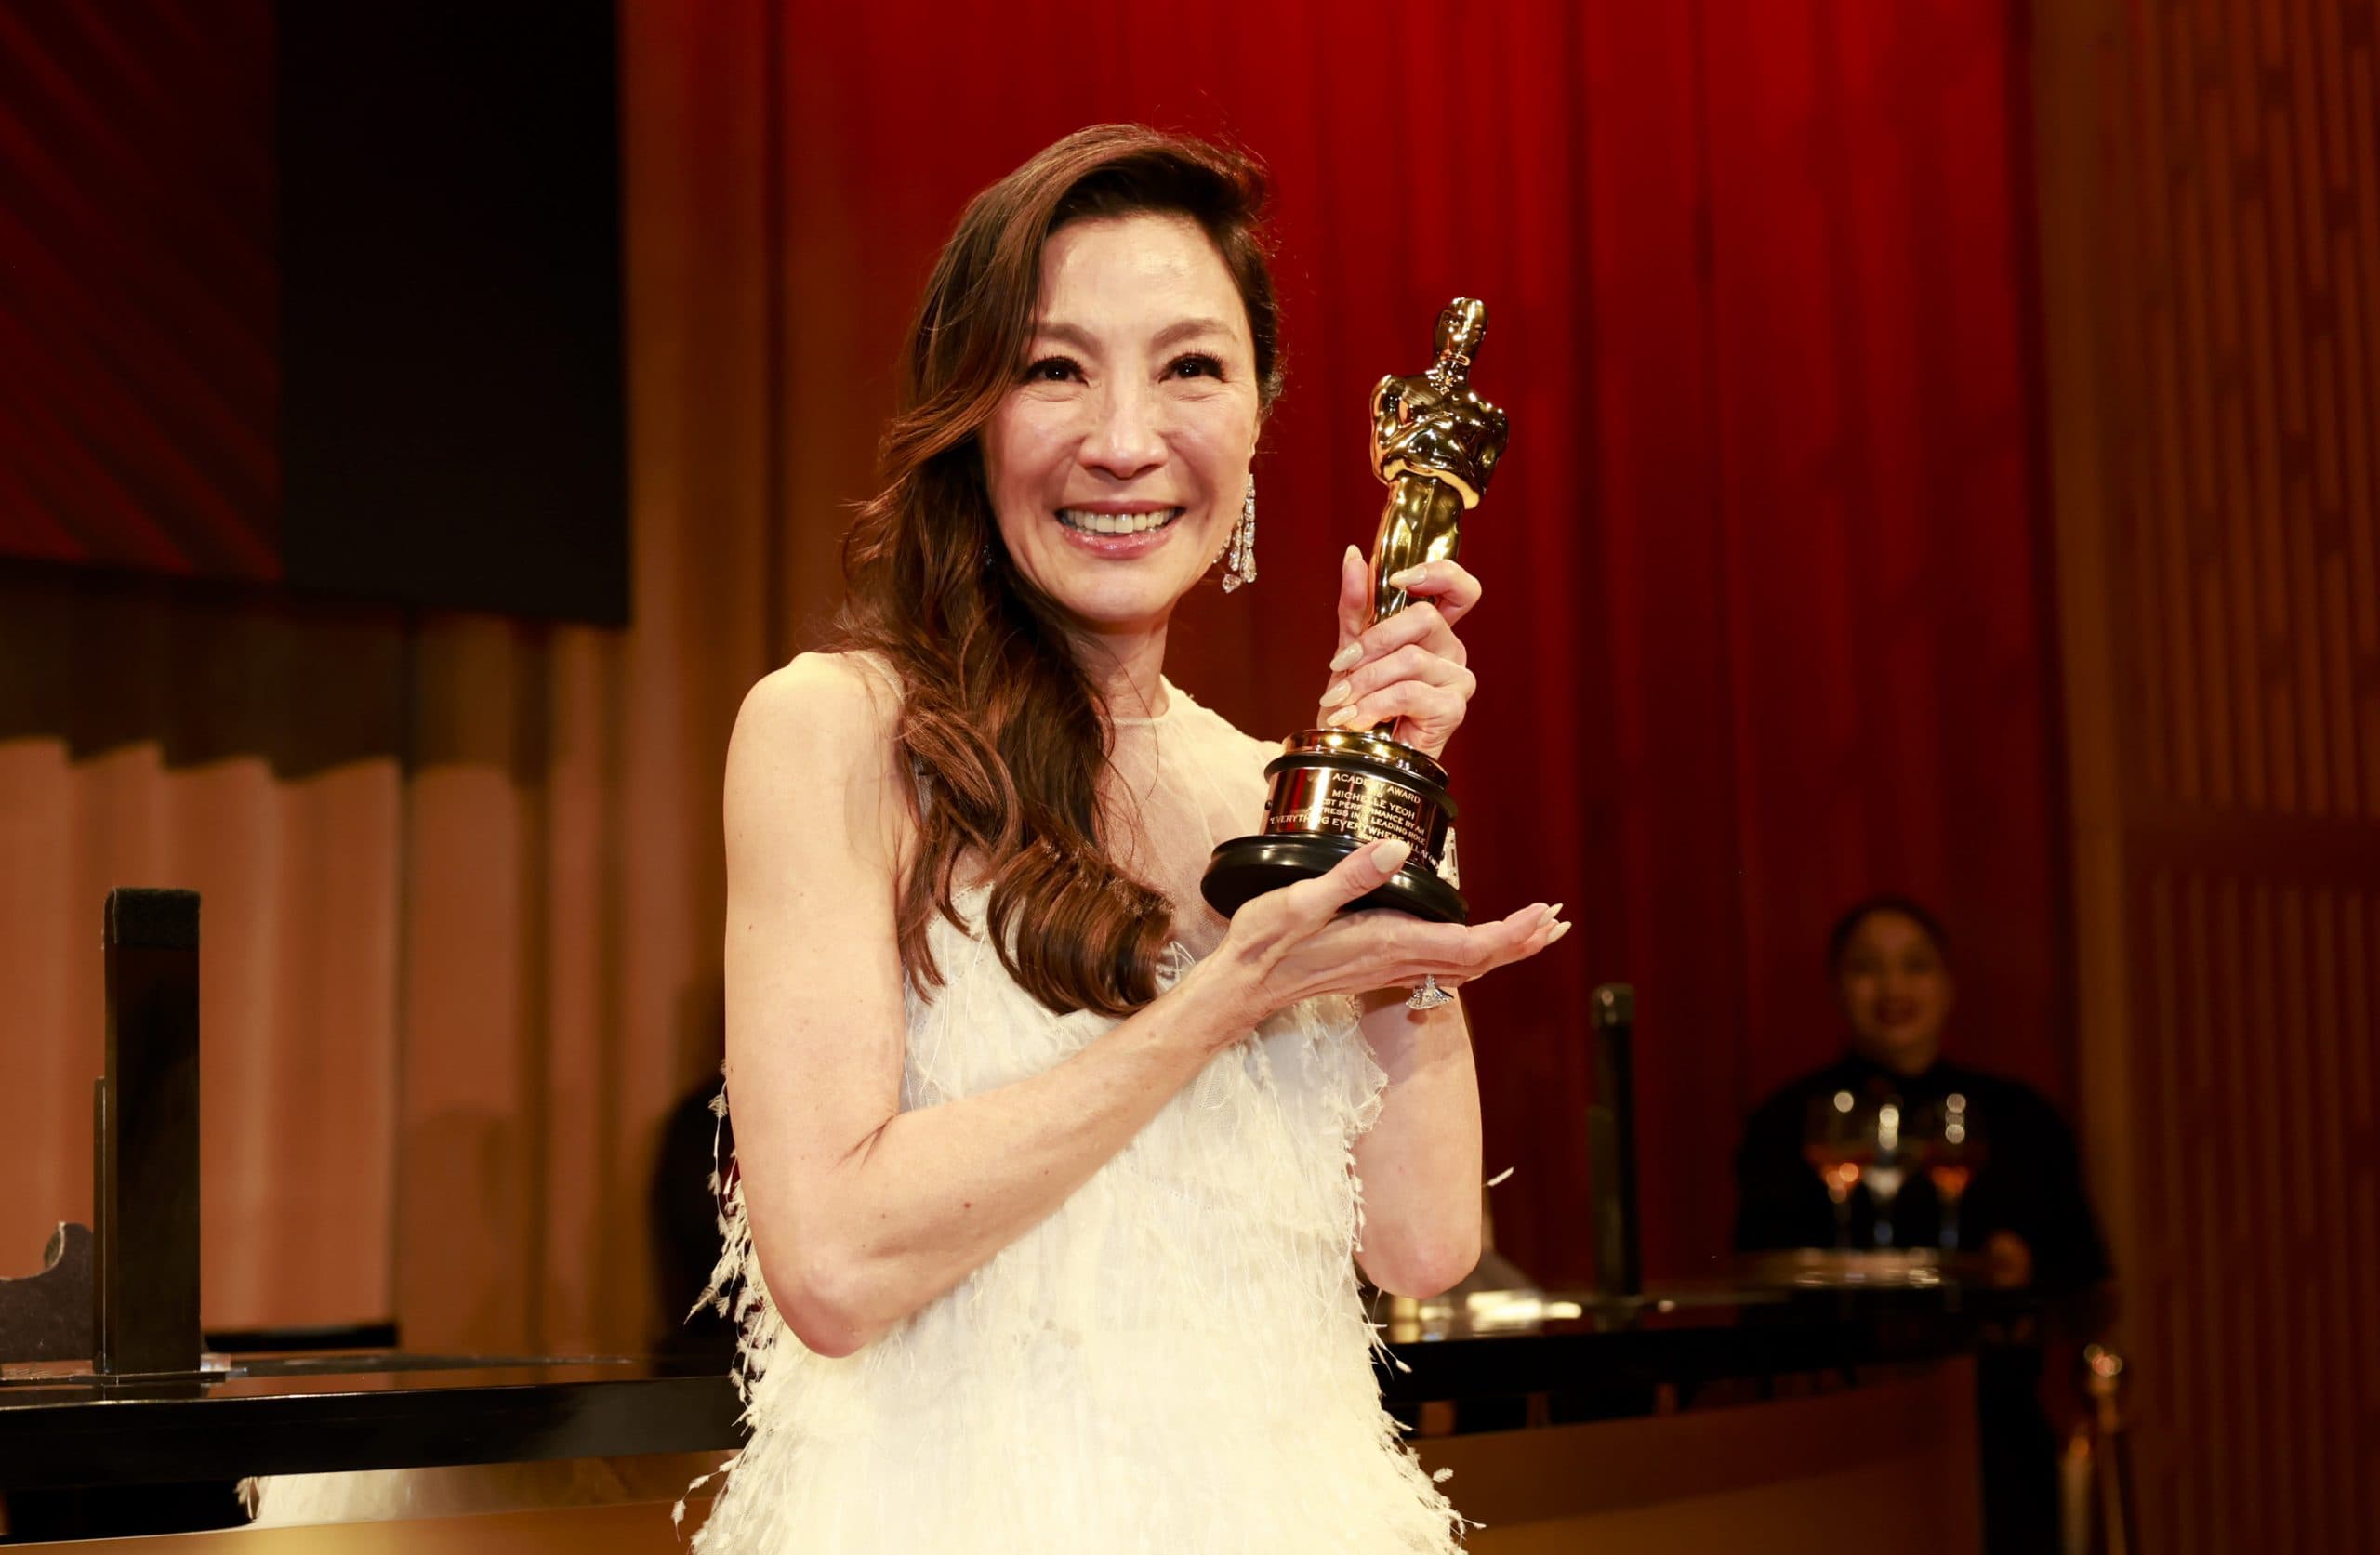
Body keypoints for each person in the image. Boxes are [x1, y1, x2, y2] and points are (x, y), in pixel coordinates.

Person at [692, 125, 1565, 1552]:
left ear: (1264, 417)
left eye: (1189, 367)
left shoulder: (1273, 786)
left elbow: (1421, 1240)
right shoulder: (835, 732)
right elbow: (835, 1262)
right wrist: (1229, 996)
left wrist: (1398, 804)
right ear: (972, 414)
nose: (1121, 438)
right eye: (1054, 368)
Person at [1732, 894, 2110, 1554]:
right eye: (1867, 968)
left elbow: (2088, 1273)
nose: (1893, 987)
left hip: (1992, 1428)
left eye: (1916, 966)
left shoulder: (2018, 1116)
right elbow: (1758, 1268)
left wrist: (2023, 1265)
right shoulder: (1790, 1120)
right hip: (1832, 1434)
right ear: (1836, 986)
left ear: (1949, 984)